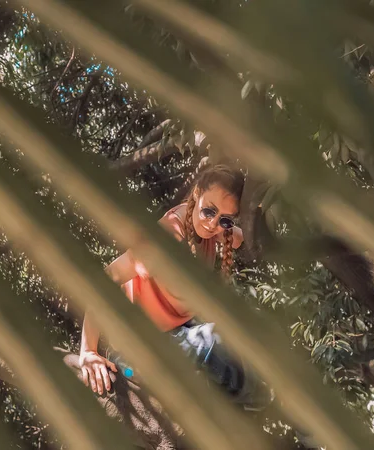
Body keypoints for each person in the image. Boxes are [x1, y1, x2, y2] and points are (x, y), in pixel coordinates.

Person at [80, 164, 272, 407]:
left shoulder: (214, 229)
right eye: (208, 212)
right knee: (216, 341)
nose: (213, 224)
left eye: (223, 219)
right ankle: (266, 404)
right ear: (196, 194)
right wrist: (88, 351)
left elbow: (240, 234)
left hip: (181, 330)